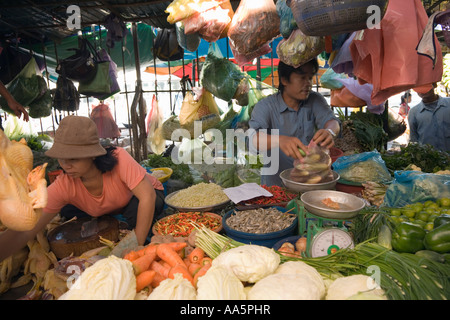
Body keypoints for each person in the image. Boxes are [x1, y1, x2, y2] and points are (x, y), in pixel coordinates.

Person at [0, 115, 165, 261]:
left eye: (73, 159)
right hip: (111, 207)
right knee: (67, 212)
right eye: (61, 159)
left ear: (93, 154)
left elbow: (147, 197)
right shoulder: (65, 184)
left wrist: (137, 243)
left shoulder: (120, 158)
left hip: (146, 194)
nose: (66, 166)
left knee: (137, 210)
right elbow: (29, 225)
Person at [248, 59, 341, 186]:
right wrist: (279, 140)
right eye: (302, 78)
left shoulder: (315, 100)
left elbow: (332, 121)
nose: (308, 83)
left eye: (310, 78)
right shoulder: (265, 106)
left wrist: (329, 131)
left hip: (312, 183)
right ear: (284, 80)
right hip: (277, 188)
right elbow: (252, 140)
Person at [408, 83, 450, 153]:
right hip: (429, 160)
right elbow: (414, 140)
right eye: (419, 87)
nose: (423, 90)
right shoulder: (414, 112)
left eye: (426, 85)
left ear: (435, 85)